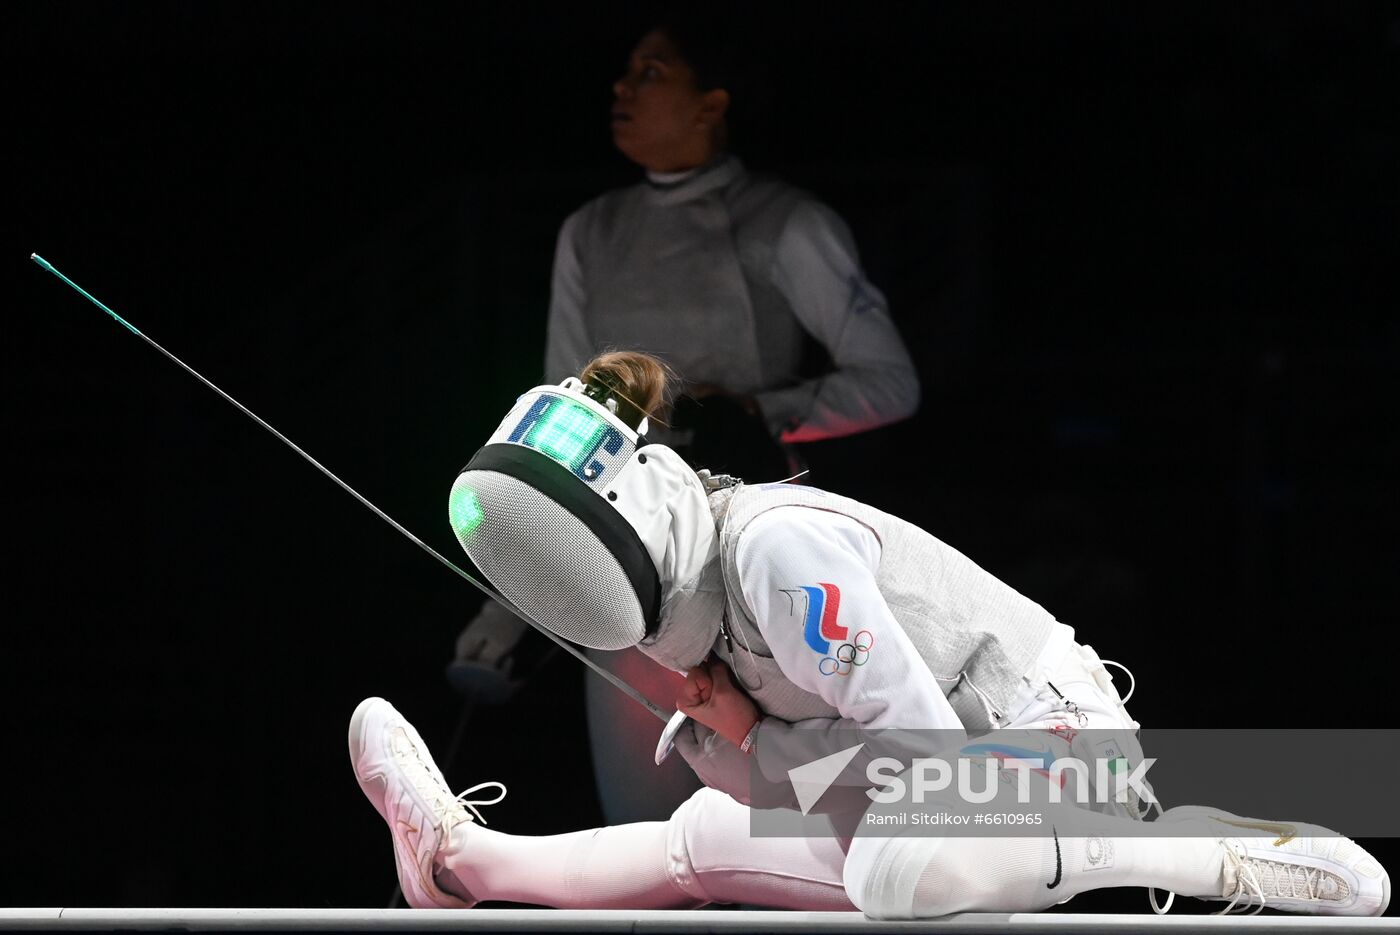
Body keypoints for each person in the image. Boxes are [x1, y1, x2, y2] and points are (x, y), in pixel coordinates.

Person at [354, 351, 1391, 918]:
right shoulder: (683, 606)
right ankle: (458, 859)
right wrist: (748, 752)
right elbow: (805, 777)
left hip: (1046, 754)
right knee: (695, 845)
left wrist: (755, 744)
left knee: (890, 874)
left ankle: (1198, 848)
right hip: (922, 796)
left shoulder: (773, 550)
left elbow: (930, 759)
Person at [447, 13, 922, 826]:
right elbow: (558, 430)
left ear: (712, 103)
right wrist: (506, 606)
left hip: (760, 562)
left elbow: (889, 380)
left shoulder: (785, 223)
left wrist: (757, 414)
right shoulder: (589, 232)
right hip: (624, 572)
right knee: (650, 829)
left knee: (788, 825)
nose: (622, 88)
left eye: (652, 73)